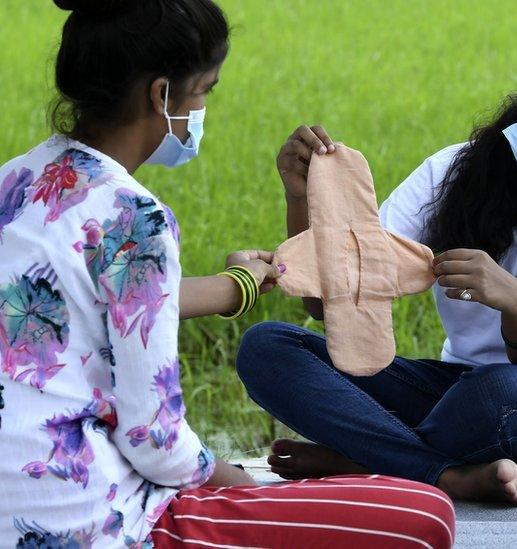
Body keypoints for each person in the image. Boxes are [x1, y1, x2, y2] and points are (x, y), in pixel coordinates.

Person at [0, 1, 454, 547]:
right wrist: (236, 484)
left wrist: (233, 286)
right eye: (206, 90)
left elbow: (94, 300)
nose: (203, 108)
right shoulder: (134, 218)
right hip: (81, 520)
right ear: (161, 95)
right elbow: (155, 439)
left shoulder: (16, 182)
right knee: (426, 514)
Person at [236, 24, 517, 506]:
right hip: (457, 397)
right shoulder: (453, 172)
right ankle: (442, 473)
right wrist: (302, 197)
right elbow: (331, 302)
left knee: (503, 393)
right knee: (267, 348)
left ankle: (366, 460)